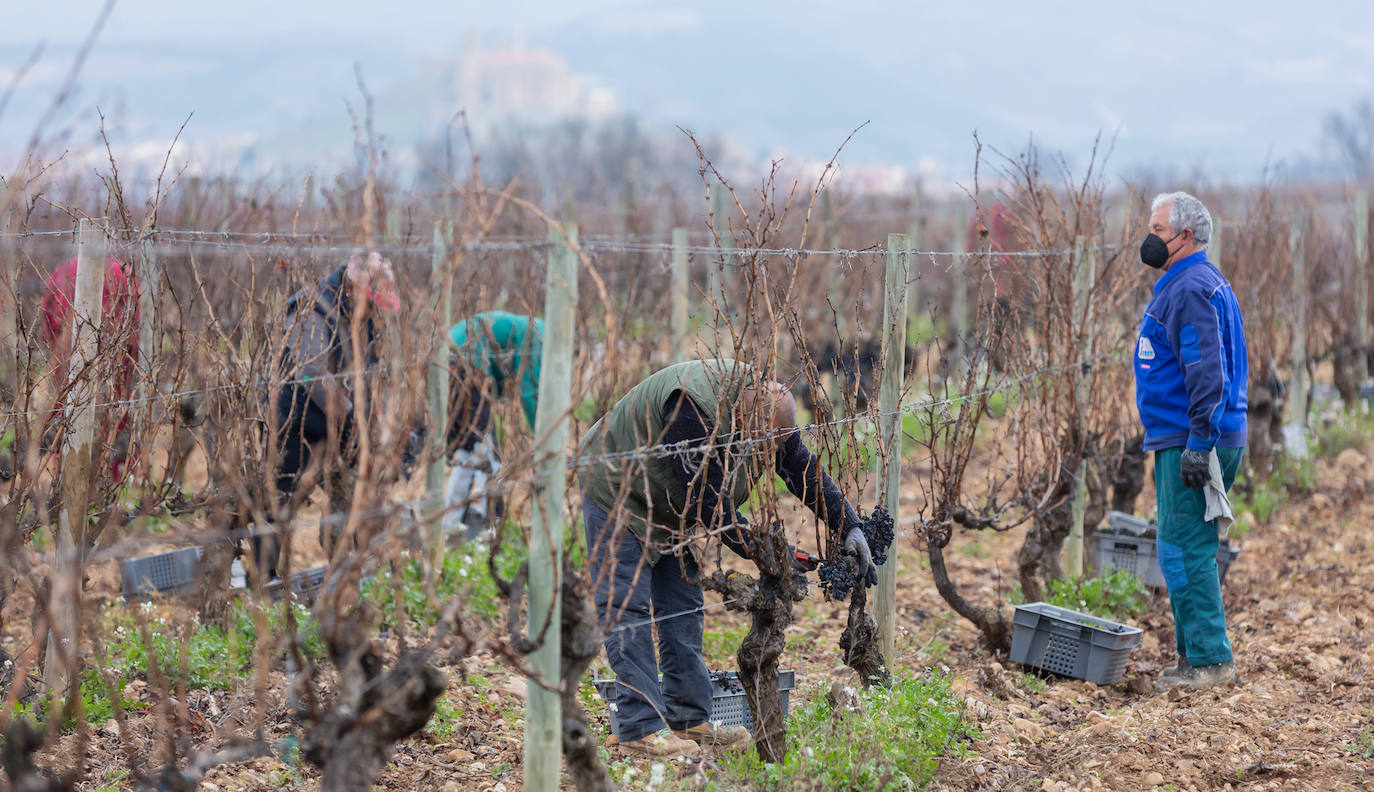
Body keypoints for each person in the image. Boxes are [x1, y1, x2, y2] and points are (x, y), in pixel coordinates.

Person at [578, 359, 877, 757]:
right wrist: (770, 551)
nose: (769, 453)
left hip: (668, 502)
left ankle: (688, 719)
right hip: (619, 486)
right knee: (625, 603)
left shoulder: (768, 414)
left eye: (775, 443)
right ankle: (639, 728)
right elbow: (708, 501)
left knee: (683, 603)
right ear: (740, 417)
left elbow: (800, 467)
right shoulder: (692, 409)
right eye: (762, 443)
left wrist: (849, 525)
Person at [1132, 192, 1248, 688]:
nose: (1150, 238)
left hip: (1191, 437)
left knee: (1185, 550)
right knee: (1179, 545)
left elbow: (1206, 372)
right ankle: (1193, 658)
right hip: (1184, 434)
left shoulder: (1190, 290)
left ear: (1185, 236)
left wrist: (1200, 441)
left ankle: (1209, 662)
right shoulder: (1192, 282)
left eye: (1158, 229)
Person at [252, 251, 400, 581]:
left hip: (341, 421)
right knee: (280, 501)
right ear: (352, 289)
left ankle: (352, 574)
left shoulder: (366, 315)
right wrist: (352, 418)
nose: (375, 309)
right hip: (294, 418)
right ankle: (261, 584)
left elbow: (372, 370)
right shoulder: (310, 308)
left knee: (351, 497)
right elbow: (310, 373)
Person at [39, 257, 140, 481]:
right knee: (111, 437)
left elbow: (48, 328)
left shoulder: (62, 271)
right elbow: (135, 332)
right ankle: (109, 493)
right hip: (113, 373)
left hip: (68, 372)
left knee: (68, 435)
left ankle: (66, 493)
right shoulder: (122, 273)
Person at [443, 311, 544, 537]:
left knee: (468, 446)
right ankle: (479, 520)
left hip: (450, 359)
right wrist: (544, 437)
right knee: (482, 448)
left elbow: (501, 379)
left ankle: (463, 521)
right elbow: (529, 392)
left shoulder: (526, 328)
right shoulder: (539, 336)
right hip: (465, 364)